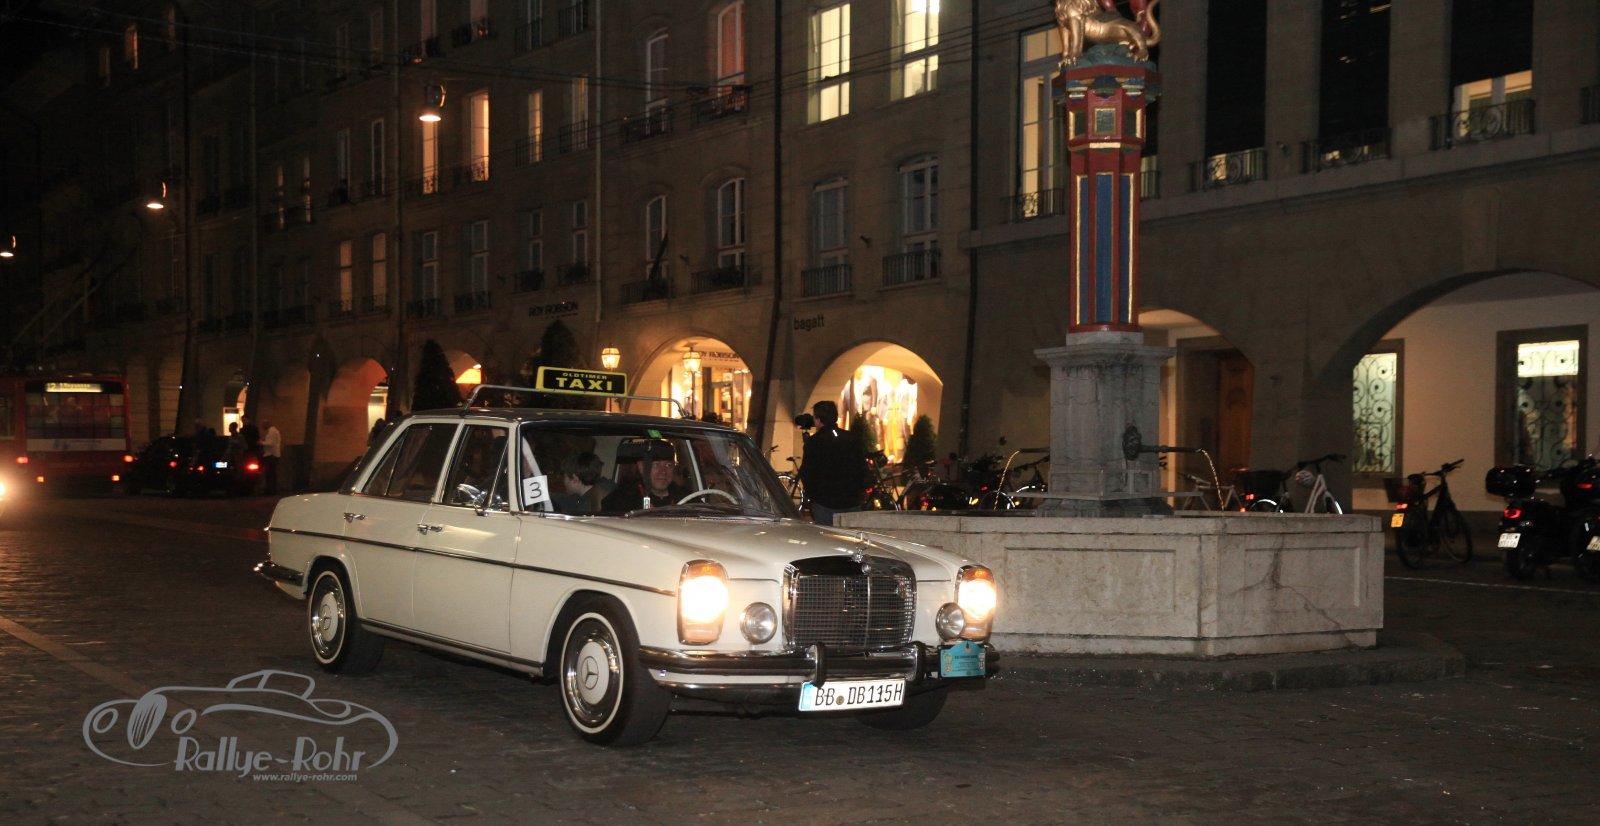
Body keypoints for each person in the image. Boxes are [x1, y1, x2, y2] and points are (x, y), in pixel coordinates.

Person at [799, 400, 866, 526]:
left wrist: (813, 496)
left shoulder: (814, 442)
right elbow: (861, 467)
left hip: (824, 502)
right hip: (851, 500)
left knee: (828, 535)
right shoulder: (851, 438)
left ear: (818, 419)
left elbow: (807, 472)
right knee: (851, 536)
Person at [602, 441, 687, 512]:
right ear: (641, 467)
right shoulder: (620, 501)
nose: (663, 472)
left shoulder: (686, 500)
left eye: (668, 465)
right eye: (656, 465)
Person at [261, 421, 283, 494]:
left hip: (271, 455)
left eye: (263, 425)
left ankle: (271, 489)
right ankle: (272, 489)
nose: (262, 426)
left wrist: (261, 442)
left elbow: (270, 443)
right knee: (272, 473)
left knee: (270, 473)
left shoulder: (272, 432)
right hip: (274, 454)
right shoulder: (274, 431)